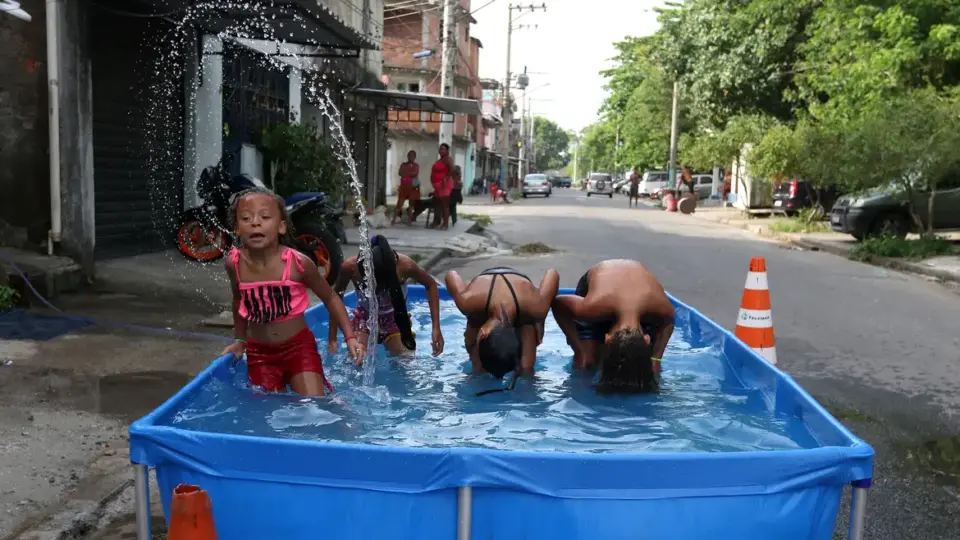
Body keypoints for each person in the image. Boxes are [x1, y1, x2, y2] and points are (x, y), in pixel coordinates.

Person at [221, 187, 361, 397]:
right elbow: (239, 300)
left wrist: (349, 337)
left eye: (265, 216)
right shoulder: (234, 263)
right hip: (260, 353)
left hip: (298, 348)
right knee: (269, 413)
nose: (255, 222)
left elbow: (330, 297)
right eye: (246, 218)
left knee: (314, 405)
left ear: (281, 227)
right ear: (237, 229)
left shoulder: (297, 263)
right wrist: (240, 341)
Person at [551, 259, 675, 394]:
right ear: (646, 338)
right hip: (598, 288)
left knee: (638, 361)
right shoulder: (592, 307)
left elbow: (669, 323)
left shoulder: (661, 308)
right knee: (587, 362)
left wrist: (656, 358)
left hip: (636, 293)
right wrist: (578, 348)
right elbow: (558, 303)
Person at [329, 235, 444, 360]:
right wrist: (332, 338)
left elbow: (431, 285)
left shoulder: (404, 266)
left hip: (395, 318)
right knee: (356, 359)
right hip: (365, 318)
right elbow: (335, 297)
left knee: (405, 361)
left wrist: (436, 328)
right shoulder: (350, 268)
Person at [445, 267, 559, 384]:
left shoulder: (535, 308)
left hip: (522, 304)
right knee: (478, 366)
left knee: (526, 367)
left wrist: (540, 320)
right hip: (483, 300)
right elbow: (450, 274)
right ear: (483, 332)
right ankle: (479, 368)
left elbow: (553, 273)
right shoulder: (469, 302)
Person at [428, 143, 454, 230]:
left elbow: (452, 169)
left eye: (443, 149)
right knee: (437, 204)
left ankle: (445, 224)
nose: (441, 150)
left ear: (447, 151)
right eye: (440, 149)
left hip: (444, 185)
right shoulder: (440, 160)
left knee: (444, 205)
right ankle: (436, 221)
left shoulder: (447, 159)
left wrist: (445, 179)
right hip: (438, 186)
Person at [392, 150, 420, 225]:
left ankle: (409, 221)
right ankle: (393, 220)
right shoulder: (403, 164)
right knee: (399, 204)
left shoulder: (416, 165)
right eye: (409, 155)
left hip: (413, 187)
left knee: (411, 204)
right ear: (407, 156)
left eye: (412, 156)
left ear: (415, 157)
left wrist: (406, 174)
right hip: (404, 187)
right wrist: (409, 174)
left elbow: (415, 173)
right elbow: (400, 172)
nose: (411, 157)